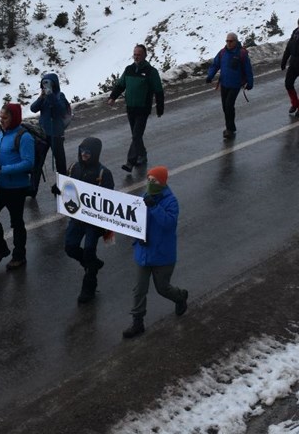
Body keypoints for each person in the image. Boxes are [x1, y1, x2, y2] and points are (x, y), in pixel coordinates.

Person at [122, 166, 189, 339]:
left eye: (155, 181)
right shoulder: (145, 196)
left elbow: (169, 224)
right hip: (143, 252)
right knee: (139, 289)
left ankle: (180, 296)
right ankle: (137, 322)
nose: (151, 183)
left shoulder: (170, 201)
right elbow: (135, 220)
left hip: (162, 255)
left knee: (162, 288)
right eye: (149, 180)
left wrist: (154, 208)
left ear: (163, 182)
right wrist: (136, 238)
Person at [51, 137, 115, 304]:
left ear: (95, 154)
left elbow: (109, 200)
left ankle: (89, 287)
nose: (84, 154)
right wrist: (58, 190)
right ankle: (92, 264)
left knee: (88, 251)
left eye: (88, 152)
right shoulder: (74, 168)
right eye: (82, 151)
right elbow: (67, 188)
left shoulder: (103, 173)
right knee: (70, 248)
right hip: (77, 218)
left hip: (93, 223)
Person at [0, 103, 35, 269]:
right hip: (0, 185)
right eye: (0, 117)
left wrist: (4, 169)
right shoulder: (1, 133)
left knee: (17, 223)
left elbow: (28, 163)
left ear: (14, 118)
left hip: (16, 188)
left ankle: (19, 256)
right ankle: (0, 248)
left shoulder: (24, 137)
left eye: (5, 117)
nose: (2, 120)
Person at [107, 44, 165, 173]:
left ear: (145, 55)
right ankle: (142, 154)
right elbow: (121, 85)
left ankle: (130, 162)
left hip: (143, 109)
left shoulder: (151, 72)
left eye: (139, 54)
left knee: (136, 135)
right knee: (136, 136)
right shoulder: (129, 69)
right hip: (131, 108)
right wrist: (112, 97)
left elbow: (158, 90)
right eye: (135, 54)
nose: (136, 57)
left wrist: (160, 108)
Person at [206, 33, 254, 139]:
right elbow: (215, 65)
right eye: (227, 41)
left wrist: (250, 83)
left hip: (235, 85)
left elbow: (248, 69)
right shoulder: (223, 53)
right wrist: (210, 76)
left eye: (231, 41)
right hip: (224, 84)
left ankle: (230, 129)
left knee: (228, 105)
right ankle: (230, 127)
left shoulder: (241, 54)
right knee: (225, 107)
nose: (228, 43)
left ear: (235, 41)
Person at [28, 73, 69, 196]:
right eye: (43, 83)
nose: (45, 86)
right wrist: (41, 97)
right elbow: (33, 109)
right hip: (43, 134)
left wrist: (51, 96)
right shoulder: (43, 97)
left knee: (60, 162)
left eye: (48, 83)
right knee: (37, 162)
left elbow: (61, 111)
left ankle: (62, 186)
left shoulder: (60, 96)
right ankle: (32, 188)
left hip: (56, 134)